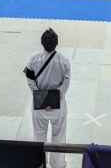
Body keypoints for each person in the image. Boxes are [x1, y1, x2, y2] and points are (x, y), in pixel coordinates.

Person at [25, 28, 71, 168]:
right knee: (59, 136)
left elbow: (30, 81)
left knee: (38, 136)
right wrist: (54, 99)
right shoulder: (64, 61)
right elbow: (66, 83)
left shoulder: (33, 58)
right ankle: (58, 164)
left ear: (42, 43)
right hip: (58, 106)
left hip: (39, 105)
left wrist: (41, 98)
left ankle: (39, 163)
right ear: (56, 43)